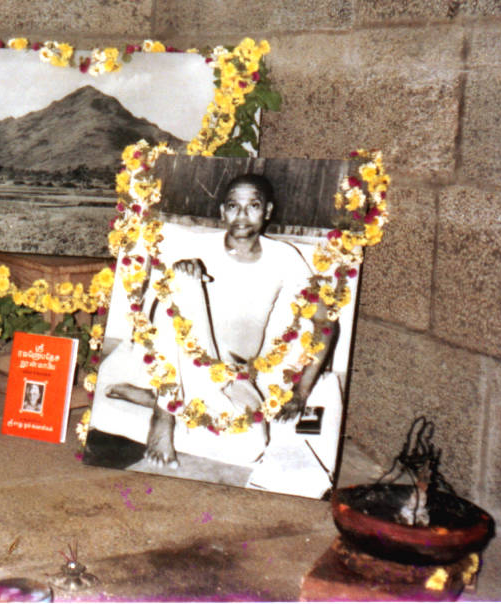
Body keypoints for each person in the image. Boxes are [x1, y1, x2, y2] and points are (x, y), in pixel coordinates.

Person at [88, 174, 337, 471]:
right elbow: (161, 313)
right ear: (222, 211)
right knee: (180, 279)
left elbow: (325, 321)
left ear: (267, 211)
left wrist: (301, 393)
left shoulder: (285, 258)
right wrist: (181, 271)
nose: (242, 215)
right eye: (233, 206)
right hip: (182, 368)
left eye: (253, 206)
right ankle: (164, 415)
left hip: (235, 375)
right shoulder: (198, 247)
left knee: (252, 445)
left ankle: (159, 400)